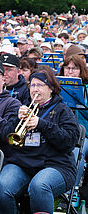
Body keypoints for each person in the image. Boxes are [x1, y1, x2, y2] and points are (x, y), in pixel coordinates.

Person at [0, 68, 80, 213]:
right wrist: (16, 120)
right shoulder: (24, 108)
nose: (35, 89)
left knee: (39, 185)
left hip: (56, 165)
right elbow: (4, 136)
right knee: (2, 186)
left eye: (40, 85)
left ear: (51, 88)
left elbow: (69, 141)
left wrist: (41, 124)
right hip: (23, 164)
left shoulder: (62, 110)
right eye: (32, 86)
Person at [60, 55, 88, 187]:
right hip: (61, 130)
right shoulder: (58, 87)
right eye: (67, 68)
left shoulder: (86, 89)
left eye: (74, 69)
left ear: (81, 70)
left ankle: (73, 189)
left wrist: (79, 102)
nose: (70, 72)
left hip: (84, 133)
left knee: (77, 152)